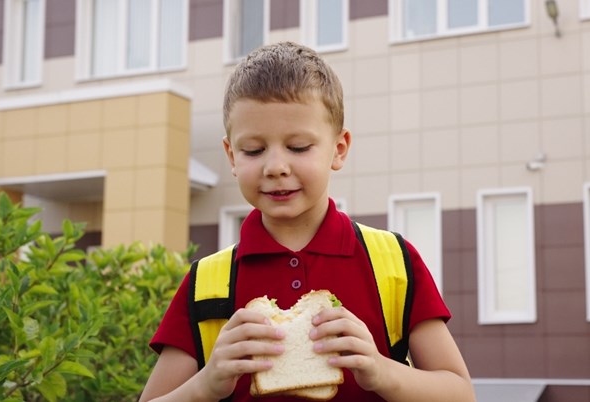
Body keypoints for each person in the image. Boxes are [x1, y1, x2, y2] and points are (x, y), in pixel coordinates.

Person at [139, 41, 475, 402]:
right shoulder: (206, 283)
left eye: (298, 147)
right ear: (231, 156)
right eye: (253, 150)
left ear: (339, 149)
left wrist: (381, 371)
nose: (276, 167)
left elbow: (461, 393)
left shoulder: (393, 261)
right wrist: (205, 385)